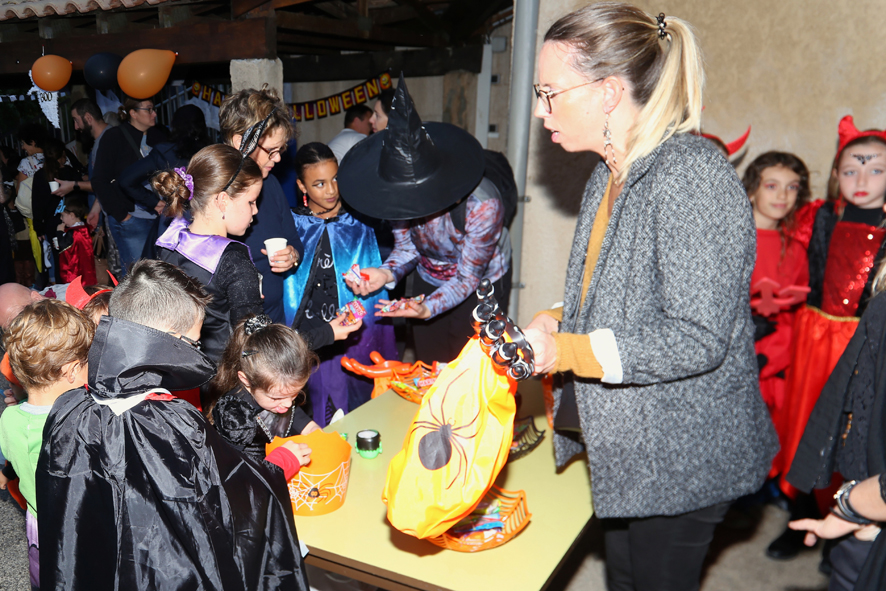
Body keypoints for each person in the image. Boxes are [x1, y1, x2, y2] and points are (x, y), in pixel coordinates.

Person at [519, 5, 778, 590]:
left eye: (549, 93)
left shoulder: (690, 176)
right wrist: (556, 319)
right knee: (624, 578)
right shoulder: (609, 173)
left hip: (681, 454)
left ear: (609, 92)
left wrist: (566, 352)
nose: (539, 110)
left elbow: (696, 337)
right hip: (631, 450)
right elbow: (621, 292)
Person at [34, 259, 309, 590]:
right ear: (170, 340)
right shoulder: (173, 423)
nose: (196, 351)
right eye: (193, 343)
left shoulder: (68, 408)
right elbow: (228, 501)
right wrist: (278, 467)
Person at [768, 116, 886, 560]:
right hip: (814, 338)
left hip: (866, 342)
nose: (862, 181)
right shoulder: (817, 217)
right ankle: (798, 517)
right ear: (836, 174)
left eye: (876, 170)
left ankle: (850, 522)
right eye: (851, 170)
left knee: (855, 432)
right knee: (805, 426)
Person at [340, 76, 511, 364]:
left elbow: (467, 278)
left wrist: (428, 308)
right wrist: (385, 274)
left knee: (468, 366)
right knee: (430, 362)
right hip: (430, 273)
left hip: (479, 280)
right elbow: (408, 248)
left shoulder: (483, 204)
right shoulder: (397, 193)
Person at [287, 142, 397, 424]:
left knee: (360, 403)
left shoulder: (361, 221)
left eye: (335, 179)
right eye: (319, 184)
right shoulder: (291, 224)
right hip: (310, 331)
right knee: (314, 410)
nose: (331, 190)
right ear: (302, 186)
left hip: (354, 331)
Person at [0, 299, 94, 588]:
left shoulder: (9, 418)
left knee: (44, 576)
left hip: (37, 522)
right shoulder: (80, 422)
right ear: (72, 370)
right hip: (78, 527)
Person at [154, 144, 264, 365]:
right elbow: (252, 343)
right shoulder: (233, 261)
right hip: (221, 373)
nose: (255, 210)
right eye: (251, 202)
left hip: (176, 367)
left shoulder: (170, 241)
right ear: (223, 201)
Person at [743, 152, 811, 466]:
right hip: (742, 355)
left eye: (792, 187)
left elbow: (796, 313)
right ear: (751, 190)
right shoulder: (733, 240)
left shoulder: (796, 249)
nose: (782, 195)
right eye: (771, 186)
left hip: (780, 359)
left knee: (774, 437)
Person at [219, 86, 304, 324]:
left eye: (281, 150)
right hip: (230, 327)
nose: (278, 158)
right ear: (240, 141)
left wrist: (293, 255)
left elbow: (293, 240)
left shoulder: (271, 185)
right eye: (272, 150)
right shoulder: (210, 190)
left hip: (274, 319)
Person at [209, 314, 319, 467]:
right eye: (276, 398)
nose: (288, 404)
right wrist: (283, 461)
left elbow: (292, 415)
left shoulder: (277, 392)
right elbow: (232, 472)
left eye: (294, 394)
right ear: (246, 380)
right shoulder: (234, 417)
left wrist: (311, 428)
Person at [119, 104, 209, 257]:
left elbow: (126, 180)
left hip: (173, 225)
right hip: (208, 221)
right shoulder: (213, 152)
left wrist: (154, 202)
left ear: (175, 126)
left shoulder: (165, 152)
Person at [90, 96, 167, 275]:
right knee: (138, 277)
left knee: (161, 276)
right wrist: (122, 216)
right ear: (133, 113)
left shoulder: (159, 136)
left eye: (154, 109)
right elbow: (100, 179)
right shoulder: (115, 136)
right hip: (133, 219)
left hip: (160, 217)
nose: (154, 114)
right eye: (148, 109)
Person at [53, 195, 97, 285]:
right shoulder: (83, 229)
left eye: (62, 215)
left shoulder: (73, 232)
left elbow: (63, 245)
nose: (61, 218)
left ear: (72, 215)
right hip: (86, 271)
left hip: (74, 273)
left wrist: (59, 232)